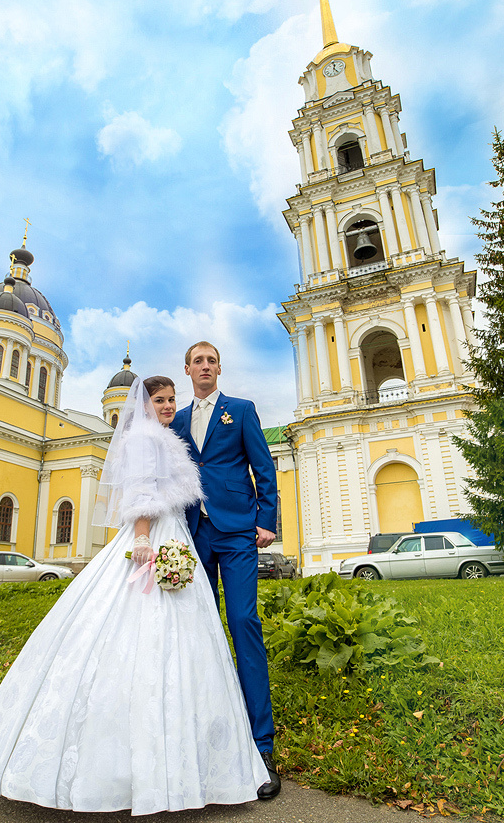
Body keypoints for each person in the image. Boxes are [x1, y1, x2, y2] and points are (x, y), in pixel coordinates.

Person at [0, 376, 268, 815]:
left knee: (184, 636)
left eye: (170, 400)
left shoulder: (167, 435)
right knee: (144, 633)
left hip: (179, 534)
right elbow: (142, 492)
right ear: (143, 405)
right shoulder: (147, 439)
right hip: (155, 537)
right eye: (159, 400)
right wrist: (143, 539)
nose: (167, 406)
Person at [171, 341, 281, 800]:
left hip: (237, 533)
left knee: (243, 622)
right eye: (198, 361)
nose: (205, 367)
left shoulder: (241, 410)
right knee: (201, 631)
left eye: (212, 361)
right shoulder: (175, 421)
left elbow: (263, 466)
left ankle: (261, 745)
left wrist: (266, 520)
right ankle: (206, 739)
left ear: (219, 369)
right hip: (194, 535)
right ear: (187, 370)